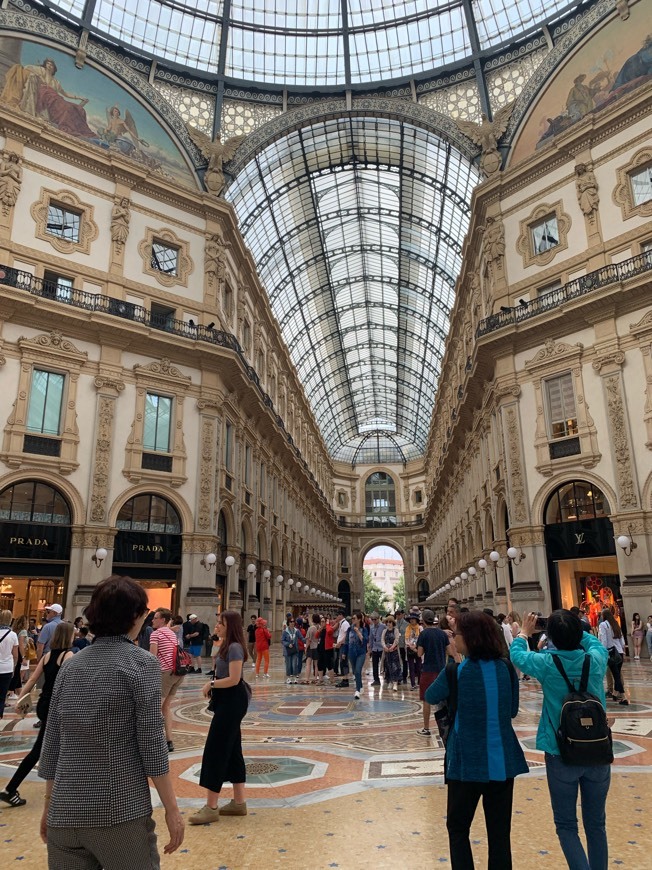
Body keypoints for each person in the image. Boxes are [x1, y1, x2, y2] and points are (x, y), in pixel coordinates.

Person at [37, 575, 184, 865]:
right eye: (144, 612)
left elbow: (52, 741)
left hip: (64, 814)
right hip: (118, 811)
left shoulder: (70, 665)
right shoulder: (141, 664)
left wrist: (49, 805)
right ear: (133, 616)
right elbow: (152, 745)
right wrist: (172, 809)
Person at [511, 610, 611, 870]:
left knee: (567, 825)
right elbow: (596, 643)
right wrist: (579, 630)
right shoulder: (596, 660)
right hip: (597, 749)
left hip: (560, 751)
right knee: (596, 824)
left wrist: (523, 632)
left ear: (550, 636)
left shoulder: (547, 663)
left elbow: (517, 656)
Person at [427, 611, 527, 868]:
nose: (453, 638)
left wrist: (454, 663)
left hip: (465, 764)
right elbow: (513, 710)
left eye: (456, 633)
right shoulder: (505, 668)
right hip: (503, 761)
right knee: (499, 834)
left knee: (458, 828)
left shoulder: (456, 672)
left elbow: (430, 695)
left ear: (469, 638)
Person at [0, 621, 74, 808]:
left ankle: (16, 788)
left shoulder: (48, 656)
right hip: (57, 707)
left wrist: (21, 699)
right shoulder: (68, 656)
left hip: (43, 704)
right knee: (41, 750)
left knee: (48, 748)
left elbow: (33, 678)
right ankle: (11, 789)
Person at [190, 610, 249, 825]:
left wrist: (211, 684)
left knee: (215, 749)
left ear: (229, 625)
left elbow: (234, 679)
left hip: (232, 700)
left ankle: (211, 807)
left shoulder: (234, 648)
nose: (216, 626)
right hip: (228, 700)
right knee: (233, 749)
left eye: (220, 623)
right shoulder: (227, 645)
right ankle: (239, 803)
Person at [417, 609, 457, 736]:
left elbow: (419, 653)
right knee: (444, 699)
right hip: (441, 669)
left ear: (423, 620)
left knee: (426, 699)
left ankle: (426, 728)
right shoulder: (442, 634)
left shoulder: (423, 634)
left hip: (428, 670)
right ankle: (448, 724)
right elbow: (450, 652)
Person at [150, 608, 184, 753]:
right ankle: (169, 741)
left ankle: (155, 741)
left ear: (162, 620)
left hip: (165, 673)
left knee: (156, 707)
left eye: (155, 617)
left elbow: (152, 658)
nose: (152, 620)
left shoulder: (156, 634)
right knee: (166, 707)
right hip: (178, 672)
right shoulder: (172, 633)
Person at [598, 609, 628, 705]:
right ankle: (615, 693)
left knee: (616, 675)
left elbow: (604, 640)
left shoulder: (603, 625)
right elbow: (622, 641)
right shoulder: (615, 624)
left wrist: (603, 653)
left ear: (604, 616)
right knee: (617, 674)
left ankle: (624, 697)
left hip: (611, 653)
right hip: (619, 652)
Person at [0, 610, 18, 719]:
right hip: (7, 667)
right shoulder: (12, 635)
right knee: (2, 696)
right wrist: (14, 667)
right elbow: (15, 654)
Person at [347, 611, 369, 700]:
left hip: (361, 652)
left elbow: (365, 641)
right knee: (355, 671)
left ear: (359, 619)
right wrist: (344, 652)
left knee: (358, 670)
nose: (352, 620)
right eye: (352, 618)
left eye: (354, 618)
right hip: (351, 652)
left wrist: (358, 633)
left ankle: (357, 690)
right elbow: (346, 641)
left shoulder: (364, 629)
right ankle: (360, 686)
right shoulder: (349, 629)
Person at [8, 614, 28, 697]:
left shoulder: (15, 630)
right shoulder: (23, 631)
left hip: (13, 651)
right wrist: (23, 657)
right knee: (16, 672)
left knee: (16, 672)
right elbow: (21, 644)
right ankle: (11, 691)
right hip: (19, 653)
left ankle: (18, 691)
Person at [381, 616, 402, 691]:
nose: (389, 624)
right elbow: (382, 640)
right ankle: (389, 681)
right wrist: (385, 647)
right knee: (387, 666)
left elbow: (396, 640)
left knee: (395, 667)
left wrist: (392, 647)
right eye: (387, 622)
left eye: (390, 622)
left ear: (393, 623)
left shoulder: (395, 630)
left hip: (394, 652)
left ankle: (395, 683)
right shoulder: (384, 631)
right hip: (387, 652)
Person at [405, 612, 422, 690]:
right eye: (410, 619)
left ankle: (419, 683)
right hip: (409, 648)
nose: (412, 620)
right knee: (411, 667)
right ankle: (413, 684)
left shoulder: (420, 628)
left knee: (419, 667)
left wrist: (415, 646)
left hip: (418, 648)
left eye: (413, 619)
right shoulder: (407, 628)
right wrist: (410, 645)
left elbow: (421, 638)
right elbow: (406, 639)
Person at [334, 611, 350, 688]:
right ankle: (344, 679)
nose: (336, 617)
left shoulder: (345, 623)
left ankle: (345, 680)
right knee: (342, 662)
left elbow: (347, 635)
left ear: (341, 615)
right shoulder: (341, 623)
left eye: (337, 615)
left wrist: (340, 642)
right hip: (341, 645)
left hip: (344, 645)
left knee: (344, 662)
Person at [282, 617, 300, 684]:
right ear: (288, 623)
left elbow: (301, 638)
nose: (292, 623)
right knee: (288, 665)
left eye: (293, 621)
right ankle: (288, 678)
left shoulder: (296, 631)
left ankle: (295, 678)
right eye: (291, 622)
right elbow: (282, 640)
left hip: (294, 650)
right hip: (287, 651)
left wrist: (307, 640)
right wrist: (287, 644)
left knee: (294, 664)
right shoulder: (285, 632)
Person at [368, 612, 384, 686]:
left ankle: (388, 677)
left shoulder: (383, 626)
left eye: (375, 619)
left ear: (378, 619)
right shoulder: (371, 627)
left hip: (382, 648)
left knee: (384, 664)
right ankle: (376, 680)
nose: (374, 621)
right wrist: (370, 648)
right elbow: (371, 638)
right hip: (375, 648)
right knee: (375, 664)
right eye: (372, 619)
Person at [396, 609, 408, 684]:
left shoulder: (406, 624)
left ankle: (404, 676)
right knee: (397, 662)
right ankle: (398, 677)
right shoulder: (394, 623)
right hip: (396, 645)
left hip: (403, 645)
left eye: (399, 614)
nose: (397, 616)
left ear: (402, 615)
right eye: (396, 615)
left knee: (404, 661)